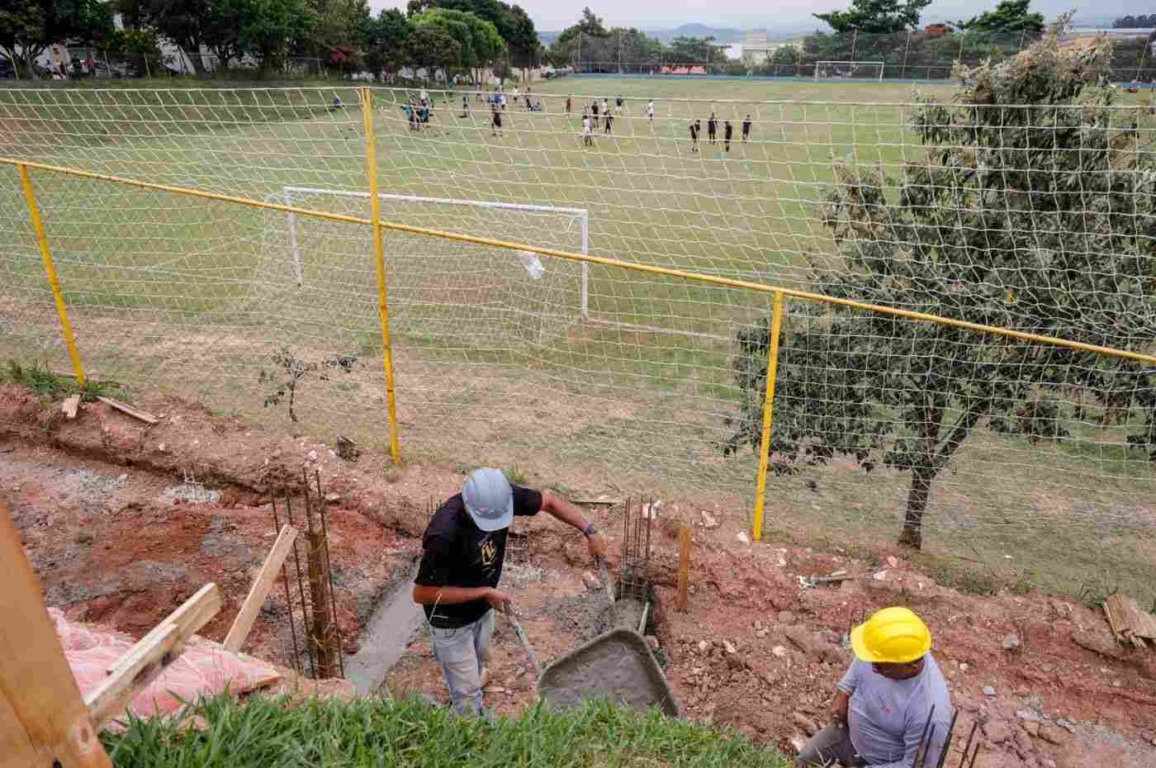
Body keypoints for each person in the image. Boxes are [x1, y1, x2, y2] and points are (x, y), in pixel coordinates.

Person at [413, 468, 608, 716]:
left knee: (479, 657)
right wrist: (484, 593)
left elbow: (549, 502)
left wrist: (590, 531)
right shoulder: (444, 533)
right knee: (467, 695)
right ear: (469, 506)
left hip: (483, 606)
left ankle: (473, 682)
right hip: (450, 622)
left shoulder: (499, 498)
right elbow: (423, 594)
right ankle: (469, 722)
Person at [798, 607, 953, 768]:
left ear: (911, 666)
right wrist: (843, 691)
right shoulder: (891, 651)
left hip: (884, 763)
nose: (872, 669)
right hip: (848, 736)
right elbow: (865, 657)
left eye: (880, 667)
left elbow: (915, 766)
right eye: (872, 660)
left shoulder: (930, 713)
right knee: (805, 760)